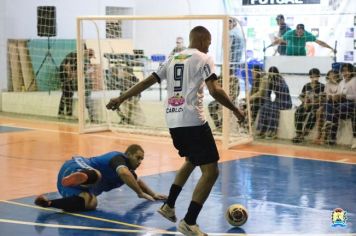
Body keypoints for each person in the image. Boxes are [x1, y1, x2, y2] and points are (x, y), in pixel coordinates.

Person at [106, 26, 244, 235]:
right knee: (211, 171)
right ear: (203, 39)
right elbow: (215, 90)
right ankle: (189, 221)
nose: (209, 46)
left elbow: (146, 82)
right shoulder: (204, 58)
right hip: (193, 120)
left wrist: (120, 98)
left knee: (191, 160)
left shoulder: (173, 58)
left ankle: (169, 206)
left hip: (173, 121)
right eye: (208, 41)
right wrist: (235, 109)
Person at [34, 144, 167, 212]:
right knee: (97, 175)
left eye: (142, 159)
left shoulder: (130, 174)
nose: (140, 162)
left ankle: (49, 203)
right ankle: (81, 176)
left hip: (65, 187)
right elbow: (125, 174)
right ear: (128, 154)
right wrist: (140, 193)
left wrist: (154, 194)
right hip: (75, 166)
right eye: (138, 158)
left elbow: (137, 181)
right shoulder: (118, 158)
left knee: (91, 202)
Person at [324, 63, 356, 148]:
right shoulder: (342, 82)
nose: (345, 73)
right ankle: (329, 124)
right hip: (342, 101)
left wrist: (344, 96)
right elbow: (339, 93)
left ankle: (354, 139)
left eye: (347, 71)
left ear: (352, 71)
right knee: (329, 102)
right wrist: (334, 97)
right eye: (343, 71)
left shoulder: (354, 80)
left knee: (337, 109)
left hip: (352, 103)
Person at [255, 66, 292, 139]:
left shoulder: (281, 81)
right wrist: (267, 102)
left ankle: (272, 131)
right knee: (264, 107)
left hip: (285, 102)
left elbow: (284, 96)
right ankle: (262, 130)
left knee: (273, 108)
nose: (270, 75)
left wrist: (272, 102)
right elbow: (267, 94)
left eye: (271, 74)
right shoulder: (271, 80)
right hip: (277, 101)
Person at [292, 68, 325, 143]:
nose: (314, 78)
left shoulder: (322, 86)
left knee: (313, 114)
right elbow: (301, 96)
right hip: (306, 104)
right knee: (298, 112)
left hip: (316, 105)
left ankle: (305, 133)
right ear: (310, 76)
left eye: (316, 76)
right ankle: (298, 133)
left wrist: (312, 103)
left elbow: (322, 99)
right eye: (312, 76)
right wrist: (304, 101)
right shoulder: (306, 85)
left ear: (318, 76)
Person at [266, 23, 336, 56]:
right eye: (298, 31)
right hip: (290, 54)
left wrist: (331, 48)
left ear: (303, 31)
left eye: (301, 32)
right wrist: (267, 47)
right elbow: (278, 41)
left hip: (301, 54)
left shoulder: (307, 35)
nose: (299, 34)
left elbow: (320, 42)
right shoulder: (290, 33)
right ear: (295, 30)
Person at [313, 69, 340, 144]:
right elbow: (326, 96)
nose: (331, 76)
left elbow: (339, 96)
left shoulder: (340, 84)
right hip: (328, 102)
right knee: (319, 112)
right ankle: (319, 134)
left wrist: (332, 96)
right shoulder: (327, 84)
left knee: (327, 114)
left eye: (333, 74)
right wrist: (323, 97)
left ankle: (324, 137)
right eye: (330, 75)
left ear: (336, 75)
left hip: (336, 103)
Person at [58, 51, 77, 119]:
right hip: (64, 73)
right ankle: (68, 114)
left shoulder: (79, 57)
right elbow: (67, 66)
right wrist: (69, 78)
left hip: (65, 72)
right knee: (69, 92)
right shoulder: (75, 56)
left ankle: (61, 112)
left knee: (65, 93)